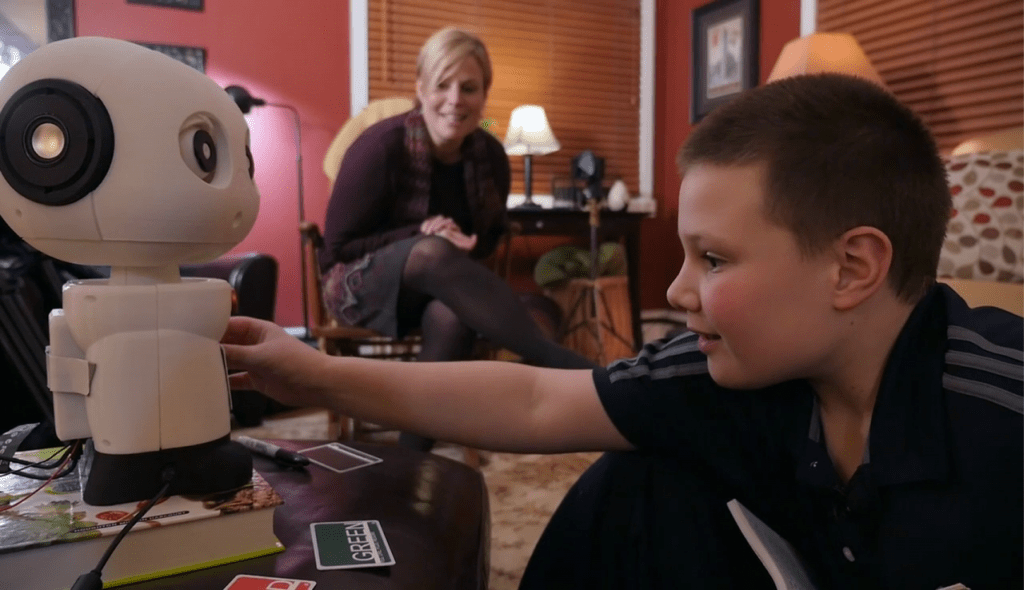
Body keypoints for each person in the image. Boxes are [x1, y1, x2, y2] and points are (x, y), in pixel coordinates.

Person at [223, 74, 1022, 588]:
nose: (677, 290)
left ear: (851, 268)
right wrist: (312, 372)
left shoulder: (998, 412)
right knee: (640, 476)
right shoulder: (725, 377)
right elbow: (538, 398)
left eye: (713, 258)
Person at [319, 27, 594, 449]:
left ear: (484, 95)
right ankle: (566, 366)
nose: (455, 100)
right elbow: (336, 249)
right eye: (442, 85)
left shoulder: (491, 157)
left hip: (440, 287)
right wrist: (419, 234)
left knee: (451, 316)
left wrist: (465, 243)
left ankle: (411, 460)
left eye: (469, 88)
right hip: (357, 284)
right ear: (420, 89)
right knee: (432, 252)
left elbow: (482, 245)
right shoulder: (380, 148)